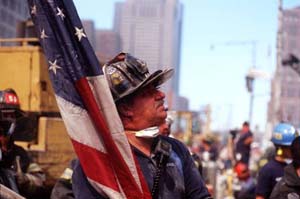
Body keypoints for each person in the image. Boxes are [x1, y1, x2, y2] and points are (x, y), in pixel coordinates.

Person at [71, 52, 212, 199]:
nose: (160, 95)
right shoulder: (99, 161)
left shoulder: (176, 150)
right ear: (126, 108)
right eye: (148, 92)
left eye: (156, 88)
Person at [0, 88, 45, 198]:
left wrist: (25, 179)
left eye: (13, 116)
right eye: (5, 115)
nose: (10, 120)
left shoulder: (20, 154)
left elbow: (40, 180)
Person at [255, 122, 298, 199]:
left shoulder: (295, 168)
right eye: (291, 147)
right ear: (280, 147)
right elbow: (260, 197)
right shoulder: (268, 170)